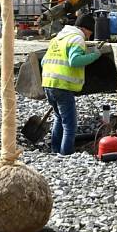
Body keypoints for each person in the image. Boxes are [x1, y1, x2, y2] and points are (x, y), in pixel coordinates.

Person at [41, 14, 101, 156]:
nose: (89, 36)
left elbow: (43, 61)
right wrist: (94, 55)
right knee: (70, 124)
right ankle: (66, 155)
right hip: (62, 86)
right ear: (86, 29)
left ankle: (55, 150)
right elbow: (74, 61)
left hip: (48, 84)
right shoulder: (77, 38)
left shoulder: (58, 38)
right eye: (90, 32)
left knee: (59, 117)